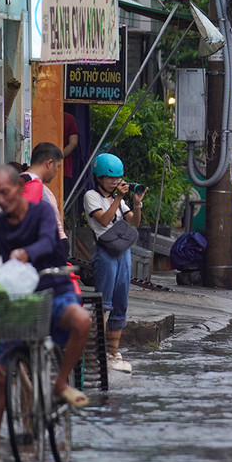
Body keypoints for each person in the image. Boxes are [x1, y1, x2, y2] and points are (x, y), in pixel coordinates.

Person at [0, 166, 91, 462]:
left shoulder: (41, 212)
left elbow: (48, 241)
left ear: (18, 187)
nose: (1, 199)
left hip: (54, 290)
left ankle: (61, 382)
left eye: (6, 192)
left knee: (82, 321)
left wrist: (27, 253)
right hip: (20, 299)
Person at [85, 152, 141, 373]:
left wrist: (136, 204)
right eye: (110, 178)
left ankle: (113, 352)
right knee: (103, 304)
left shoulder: (119, 199)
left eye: (118, 178)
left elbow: (134, 223)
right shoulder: (91, 196)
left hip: (123, 252)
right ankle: (95, 353)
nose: (115, 182)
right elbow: (104, 220)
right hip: (105, 253)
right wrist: (117, 198)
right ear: (98, 177)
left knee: (120, 303)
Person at [21, 142, 66, 240]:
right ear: (49, 163)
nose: (57, 171)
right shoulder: (33, 184)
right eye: (57, 166)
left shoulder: (20, 179)